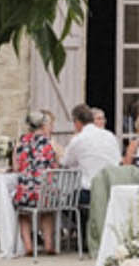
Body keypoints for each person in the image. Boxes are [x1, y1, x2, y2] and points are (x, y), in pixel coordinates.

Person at [10, 110, 58, 256]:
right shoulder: (48, 143)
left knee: (23, 213)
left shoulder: (22, 141)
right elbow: (54, 165)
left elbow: (16, 167)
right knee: (47, 211)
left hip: (26, 193)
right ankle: (49, 245)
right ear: (43, 125)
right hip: (44, 193)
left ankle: (29, 246)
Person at [62, 104, 117, 191]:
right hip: (110, 188)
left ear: (77, 122)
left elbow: (65, 162)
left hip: (89, 190)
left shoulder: (78, 139)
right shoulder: (110, 136)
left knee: (65, 194)